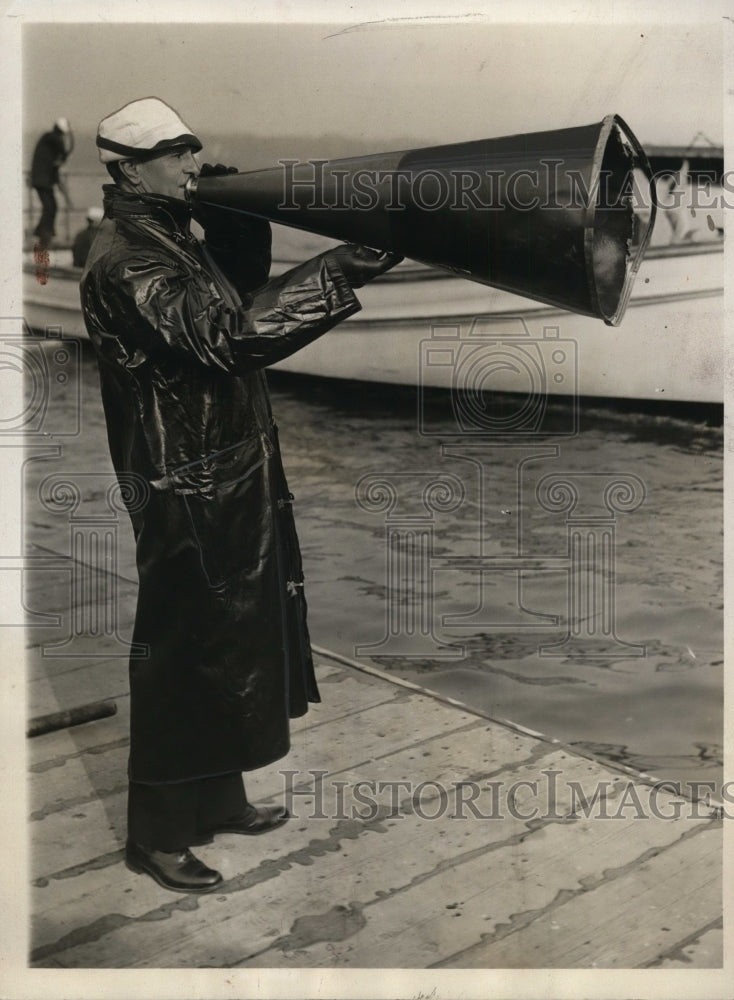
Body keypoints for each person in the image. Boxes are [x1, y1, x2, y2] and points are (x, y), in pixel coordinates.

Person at [79, 97, 401, 894]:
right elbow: (227, 338)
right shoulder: (126, 256)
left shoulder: (167, 235)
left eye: (194, 150)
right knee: (182, 648)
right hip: (182, 484)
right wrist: (351, 261)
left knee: (228, 640)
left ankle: (219, 800)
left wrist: (234, 220)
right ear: (128, 168)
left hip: (220, 471)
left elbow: (229, 301)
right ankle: (155, 835)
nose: (194, 163)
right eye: (178, 154)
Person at [30, 117, 74, 247]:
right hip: (42, 180)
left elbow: (57, 178)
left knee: (52, 206)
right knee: (50, 207)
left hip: (43, 180)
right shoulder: (50, 138)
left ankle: (44, 233)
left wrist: (68, 199)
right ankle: (44, 234)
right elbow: (57, 143)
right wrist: (64, 154)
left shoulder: (51, 151)